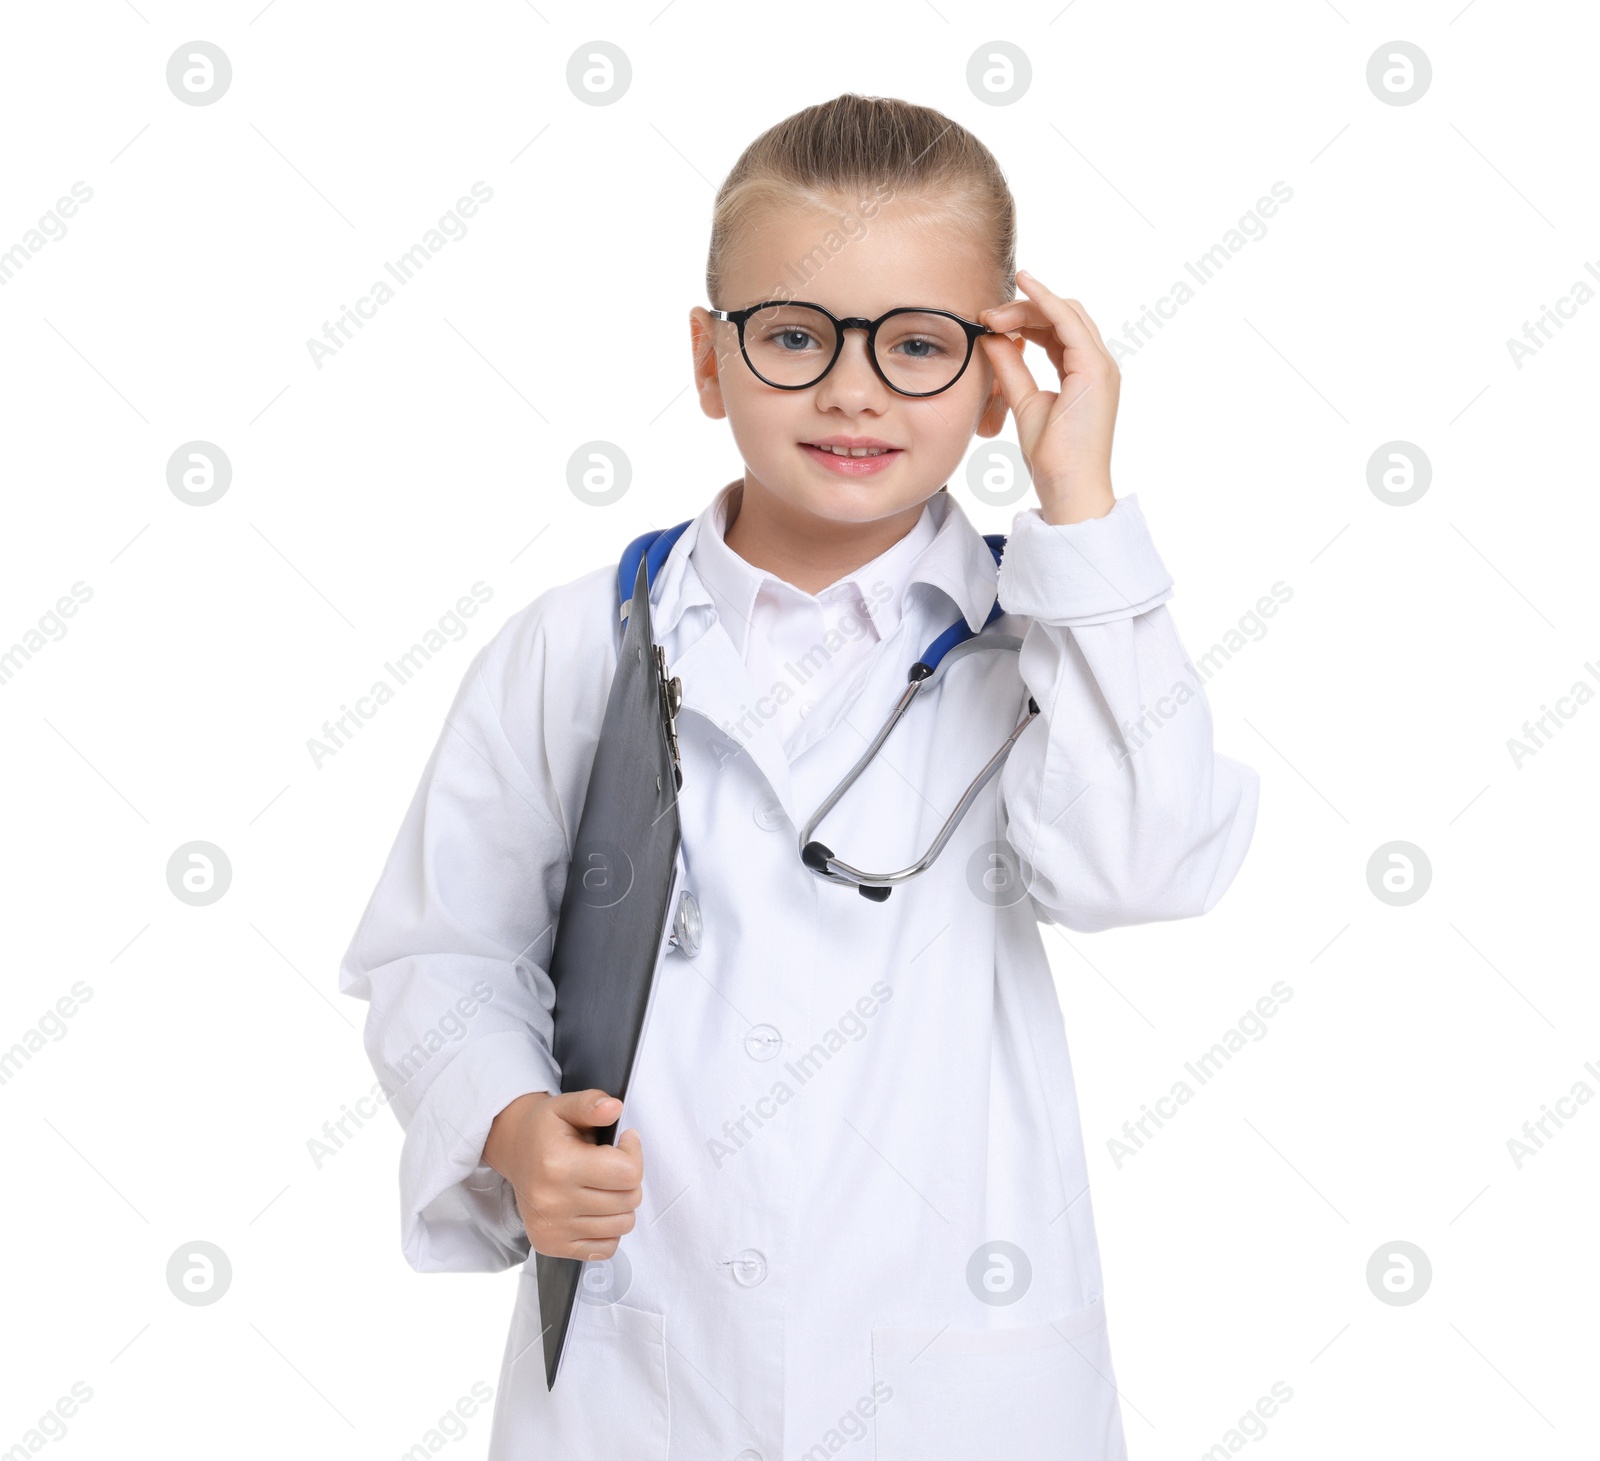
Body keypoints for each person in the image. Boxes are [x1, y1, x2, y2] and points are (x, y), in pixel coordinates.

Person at [337, 92, 1259, 1460]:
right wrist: (512, 1125)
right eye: (792, 335)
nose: (853, 387)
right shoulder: (576, 643)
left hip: (961, 1373)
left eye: (919, 344)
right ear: (710, 361)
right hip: (647, 1354)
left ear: (1000, 370)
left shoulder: (1052, 640)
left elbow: (1145, 870)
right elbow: (442, 951)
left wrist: (1083, 505)